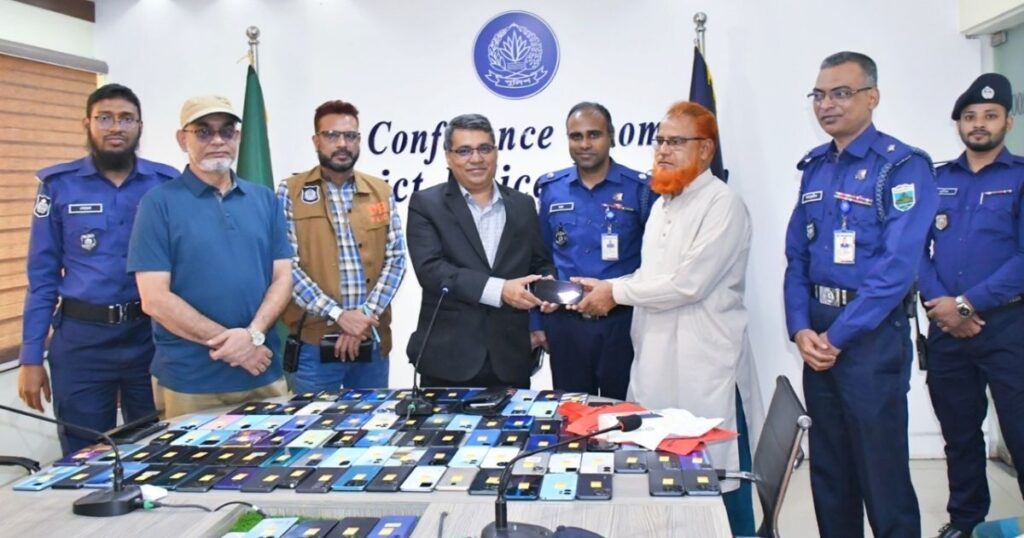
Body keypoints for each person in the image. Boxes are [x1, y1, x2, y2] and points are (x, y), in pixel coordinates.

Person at [783, 51, 937, 537]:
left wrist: (838, 337)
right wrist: (801, 328)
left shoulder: (903, 167)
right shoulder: (815, 166)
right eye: (819, 95)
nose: (826, 104)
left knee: (881, 474)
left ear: (872, 97)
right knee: (830, 472)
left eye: (841, 93)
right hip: (818, 337)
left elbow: (896, 269)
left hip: (870, 339)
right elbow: (797, 258)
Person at [17, 84, 177, 454]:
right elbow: (42, 279)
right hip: (82, 343)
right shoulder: (59, 186)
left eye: (126, 118)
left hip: (150, 338)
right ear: (87, 124)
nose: (116, 127)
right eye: (105, 118)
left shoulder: (164, 185)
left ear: (140, 126)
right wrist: (30, 357)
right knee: (85, 455)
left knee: (159, 448)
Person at [128, 95, 292, 418]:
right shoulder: (157, 204)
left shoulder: (264, 200)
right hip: (191, 383)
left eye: (226, 131)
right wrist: (237, 346)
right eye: (203, 132)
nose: (217, 140)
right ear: (182, 139)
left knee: (276, 454)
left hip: (263, 372)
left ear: (238, 138)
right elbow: (155, 299)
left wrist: (252, 336)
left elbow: (283, 279)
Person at [919, 73, 1024, 538]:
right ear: (959, 124)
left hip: (1008, 326)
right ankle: (965, 522)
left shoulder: (1020, 178)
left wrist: (966, 304)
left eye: (990, 115)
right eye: (970, 116)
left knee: (1020, 431)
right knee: (959, 434)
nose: (979, 124)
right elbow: (914, 250)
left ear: (1008, 122)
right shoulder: (936, 180)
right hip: (946, 328)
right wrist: (944, 307)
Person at [405, 113, 555, 389]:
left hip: (511, 359)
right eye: (464, 151)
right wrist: (499, 290)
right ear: (448, 157)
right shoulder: (426, 204)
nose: (476, 158)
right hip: (448, 361)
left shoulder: (523, 204)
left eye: (484, 148)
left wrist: (547, 288)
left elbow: (540, 263)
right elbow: (431, 271)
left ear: (496, 153)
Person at [278, 100, 406, 392]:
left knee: (373, 420)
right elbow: (287, 266)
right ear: (316, 141)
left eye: (350, 136)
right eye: (331, 135)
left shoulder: (380, 191)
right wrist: (339, 316)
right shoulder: (291, 191)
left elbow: (396, 259)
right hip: (314, 346)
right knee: (311, 422)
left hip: (371, 342)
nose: (342, 144)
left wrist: (362, 318)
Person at [533, 102, 654, 399]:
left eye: (594, 135)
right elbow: (540, 257)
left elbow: (655, 261)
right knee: (571, 413)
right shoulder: (551, 189)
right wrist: (537, 322)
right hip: (566, 325)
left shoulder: (641, 190)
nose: (584, 144)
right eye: (576, 136)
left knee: (624, 411)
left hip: (622, 323)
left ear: (611, 136)